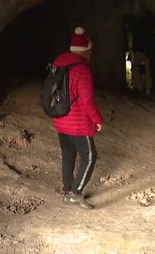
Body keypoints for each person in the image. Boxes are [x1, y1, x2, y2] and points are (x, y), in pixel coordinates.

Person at [52, 26, 104, 209]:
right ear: (86, 50)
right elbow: (87, 100)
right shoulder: (82, 69)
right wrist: (98, 120)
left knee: (68, 155)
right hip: (78, 123)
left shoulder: (58, 64)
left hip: (60, 118)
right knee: (90, 156)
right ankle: (76, 193)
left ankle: (67, 191)